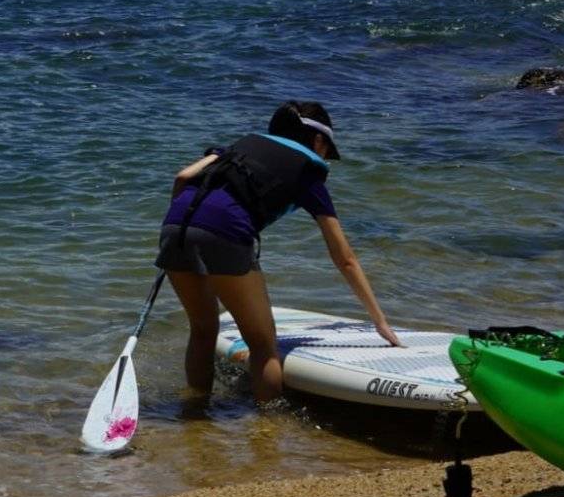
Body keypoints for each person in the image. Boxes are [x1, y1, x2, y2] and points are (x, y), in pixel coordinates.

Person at [156, 100, 400, 404]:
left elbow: (182, 178)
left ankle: (195, 415)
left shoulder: (240, 145)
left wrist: (182, 232)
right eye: (327, 150)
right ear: (318, 140)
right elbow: (345, 257)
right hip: (226, 231)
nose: (325, 157)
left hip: (175, 223)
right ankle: (266, 433)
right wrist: (380, 321)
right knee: (263, 346)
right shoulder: (306, 172)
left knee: (203, 329)